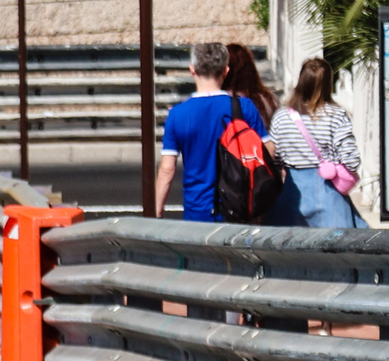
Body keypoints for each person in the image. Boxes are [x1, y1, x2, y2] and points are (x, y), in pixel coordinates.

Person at [154, 40, 265, 222]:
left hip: (197, 210)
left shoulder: (177, 115)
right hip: (238, 206)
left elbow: (167, 170)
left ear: (192, 70)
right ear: (225, 71)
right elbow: (267, 151)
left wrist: (157, 208)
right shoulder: (245, 108)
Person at [267, 57, 364, 228]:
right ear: (328, 84)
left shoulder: (281, 117)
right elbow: (351, 160)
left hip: (293, 194)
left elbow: (275, 159)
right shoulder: (336, 115)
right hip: (329, 195)